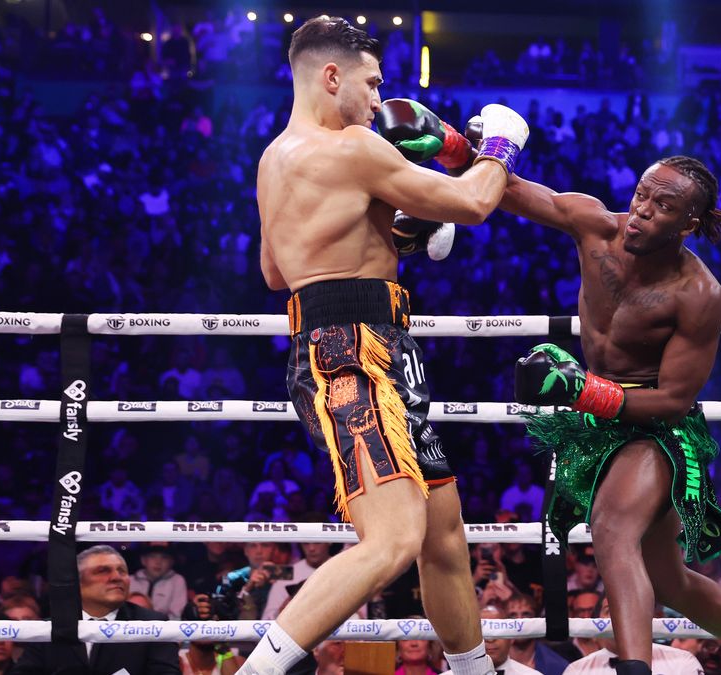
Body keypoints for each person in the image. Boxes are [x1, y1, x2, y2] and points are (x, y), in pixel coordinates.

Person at [245, 15, 529, 675]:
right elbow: (475, 203)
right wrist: (505, 143)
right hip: (352, 354)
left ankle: (471, 668)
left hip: (371, 345)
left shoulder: (273, 159)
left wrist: (393, 232)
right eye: (372, 84)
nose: (379, 100)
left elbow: (276, 271)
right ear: (332, 75)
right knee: (394, 537)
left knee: (443, 535)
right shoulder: (354, 148)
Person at [505, 156, 721, 675]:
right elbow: (509, 189)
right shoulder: (593, 225)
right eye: (641, 196)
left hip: (658, 425)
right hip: (598, 418)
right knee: (670, 580)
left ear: (687, 224)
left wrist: (582, 391)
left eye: (663, 206)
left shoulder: (698, 293)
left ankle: (634, 670)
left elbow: (674, 397)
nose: (641, 212)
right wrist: (450, 146)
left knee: (611, 531)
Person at [12, 545, 180, 674]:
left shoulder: (153, 624)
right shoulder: (49, 628)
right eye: (103, 571)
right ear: (76, 583)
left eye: (122, 571)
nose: (116, 577)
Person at [564, 598, 704, 675]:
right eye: (610, 611)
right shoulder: (578, 671)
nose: (621, 617)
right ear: (597, 619)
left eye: (630, 609)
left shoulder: (681, 661)